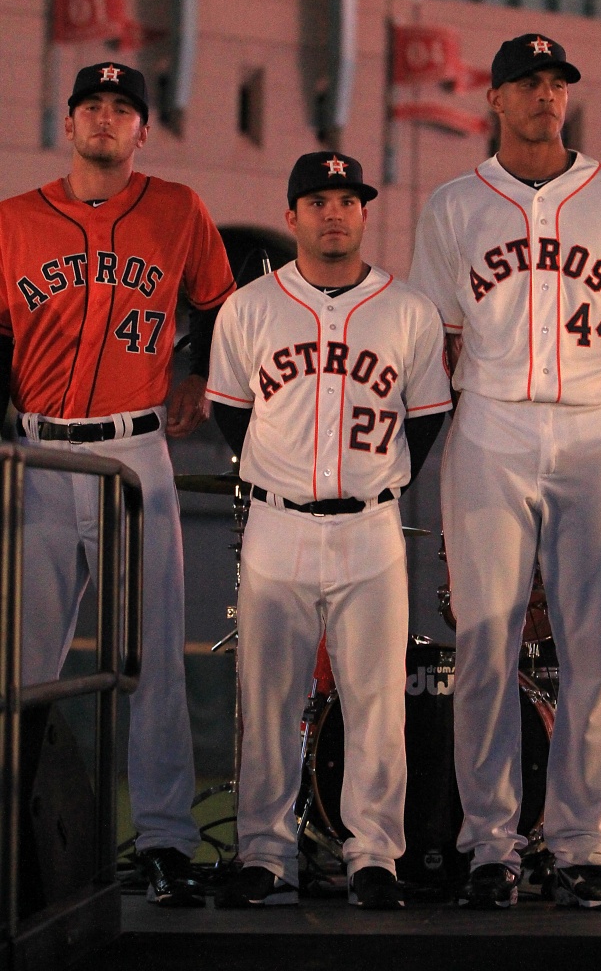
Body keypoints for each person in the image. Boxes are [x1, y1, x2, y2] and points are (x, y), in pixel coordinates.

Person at [408, 34, 601, 910]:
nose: (547, 95)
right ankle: (490, 844)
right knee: (486, 640)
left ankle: (583, 844)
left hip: (593, 426)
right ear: (495, 98)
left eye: (557, 82)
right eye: (528, 82)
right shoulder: (452, 204)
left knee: (592, 648)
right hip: (489, 421)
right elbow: (439, 337)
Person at [0, 62, 235, 907]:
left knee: (153, 661)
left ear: (143, 130)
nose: (106, 119)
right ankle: (8, 835)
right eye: (91, 106)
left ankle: (169, 840)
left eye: (122, 109)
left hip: (136, 452)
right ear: (68, 124)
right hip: (36, 455)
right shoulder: (13, 221)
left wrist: (196, 370)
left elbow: (222, 308)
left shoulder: (178, 211)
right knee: (22, 666)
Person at [207, 151, 451, 910]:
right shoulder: (249, 307)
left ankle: (374, 855)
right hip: (276, 522)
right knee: (268, 698)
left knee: (377, 700)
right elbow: (228, 412)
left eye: (347, 199)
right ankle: (265, 853)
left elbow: (429, 415)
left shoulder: (407, 309)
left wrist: (372, 479)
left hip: (371, 524)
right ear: (292, 216)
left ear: (365, 213)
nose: (334, 212)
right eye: (318, 200)